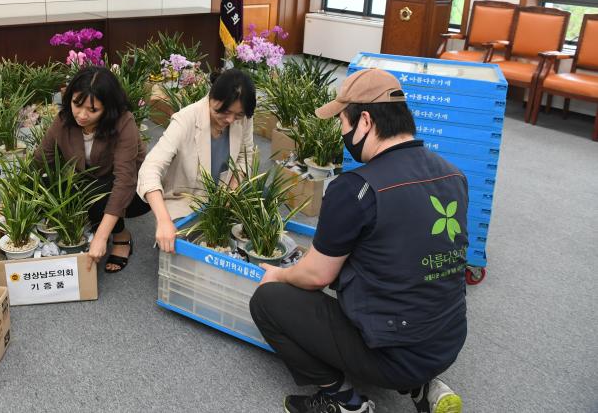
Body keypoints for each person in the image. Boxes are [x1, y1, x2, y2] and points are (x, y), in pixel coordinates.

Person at [249, 68, 468, 413]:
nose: (341, 133)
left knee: (268, 300)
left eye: (343, 123)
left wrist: (280, 274)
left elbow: (316, 276)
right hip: (448, 341)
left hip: (396, 353)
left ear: (365, 121)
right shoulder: (453, 175)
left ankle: (342, 400)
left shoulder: (357, 188)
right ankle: (421, 384)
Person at [36, 66, 149, 272]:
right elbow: (41, 159)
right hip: (92, 184)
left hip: (134, 191)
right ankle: (93, 222)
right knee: (49, 183)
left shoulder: (124, 122)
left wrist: (101, 237)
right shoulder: (64, 121)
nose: (82, 115)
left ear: (108, 107)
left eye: (93, 109)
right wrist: (13, 199)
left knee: (94, 193)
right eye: (76, 105)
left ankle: (122, 236)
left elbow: (125, 181)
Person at [138, 69, 255, 253]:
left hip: (222, 195)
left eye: (238, 115)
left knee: (258, 210)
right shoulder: (185, 120)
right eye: (224, 112)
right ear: (211, 97)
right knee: (185, 241)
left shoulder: (244, 117)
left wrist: (231, 192)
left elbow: (245, 157)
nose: (231, 119)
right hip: (187, 199)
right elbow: (150, 169)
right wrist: (163, 220)